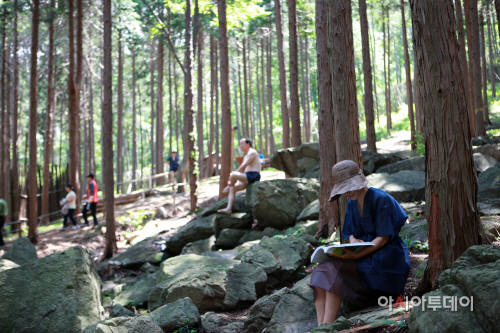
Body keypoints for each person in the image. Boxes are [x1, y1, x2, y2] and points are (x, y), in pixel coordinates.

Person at [309, 160, 410, 326]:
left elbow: (383, 238)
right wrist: (353, 241)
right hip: (362, 256)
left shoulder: (381, 199)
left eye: (349, 187)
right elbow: (349, 232)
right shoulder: (352, 202)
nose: (347, 192)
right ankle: (321, 326)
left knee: (334, 269)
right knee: (322, 268)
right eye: (343, 189)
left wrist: (355, 254)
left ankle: (327, 326)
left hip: (386, 259)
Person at [217, 137, 262, 215]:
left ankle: (229, 185)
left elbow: (244, 166)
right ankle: (228, 209)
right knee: (232, 189)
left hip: (253, 175)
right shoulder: (246, 156)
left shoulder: (252, 152)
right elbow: (243, 170)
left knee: (233, 174)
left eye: (242, 143)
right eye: (240, 144)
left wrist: (231, 177)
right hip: (247, 176)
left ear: (248, 144)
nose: (240, 145)